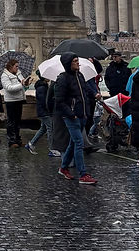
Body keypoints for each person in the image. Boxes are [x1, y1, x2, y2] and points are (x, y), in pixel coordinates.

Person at [53, 55, 96, 185]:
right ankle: (83, 174)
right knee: (79, 143)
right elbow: (59, 101)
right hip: (72, 117)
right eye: (75, 61)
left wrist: (95, 94)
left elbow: (86, 90)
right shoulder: (63, 79)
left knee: (73, 143)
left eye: (77, 61)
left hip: (82, 115)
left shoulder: (80, 75)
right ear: (68, 64)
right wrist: (71, 114)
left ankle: (64, 167)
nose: (78, 63)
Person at [0, 58, 29, 147]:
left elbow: (22, 85)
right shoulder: (5, 76)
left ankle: (17, 139)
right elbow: (9, 88)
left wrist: (26, 83)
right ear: (10, 67)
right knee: (11, 121)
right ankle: (12, 141)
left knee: (17, 121)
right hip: (11, 101)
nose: (17, 68)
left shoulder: (18, 74)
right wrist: (21, 85)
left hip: (19, 99)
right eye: (16, 66)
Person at [25, 73, 55, 155]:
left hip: (43, 111)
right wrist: (49, 107)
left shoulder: (43, 86)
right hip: (45, 112)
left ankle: (31, 144)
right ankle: (52, 149)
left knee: (43, 129)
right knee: (50, 129)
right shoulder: (42, 87)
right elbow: (44, 101)